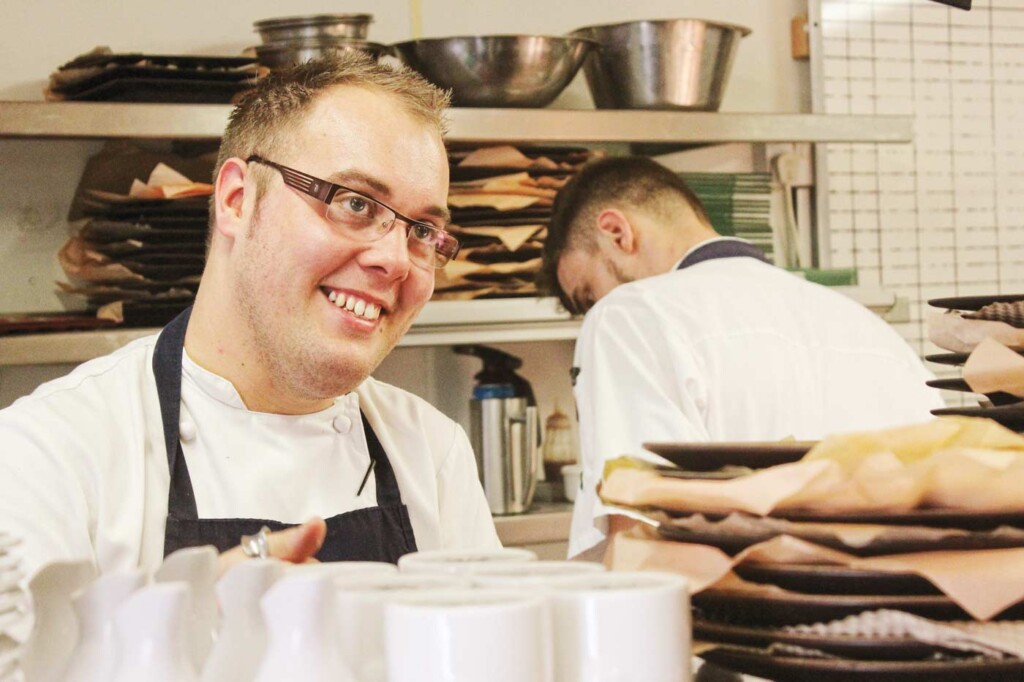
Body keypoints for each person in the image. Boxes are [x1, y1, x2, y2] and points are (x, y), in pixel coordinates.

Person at [0, 53, 501, 580]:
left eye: (422, 231)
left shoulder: (432, 454)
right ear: (237, 200)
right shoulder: (48, 455)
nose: (396, 260)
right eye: (355, 204)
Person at [539, 156, 945, 559]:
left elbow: (642, 539)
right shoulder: (871, 330)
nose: (595, 310)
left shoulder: (629, 314)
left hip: (740, 614)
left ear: (616, 232)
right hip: (910, 613)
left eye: (589, 294)